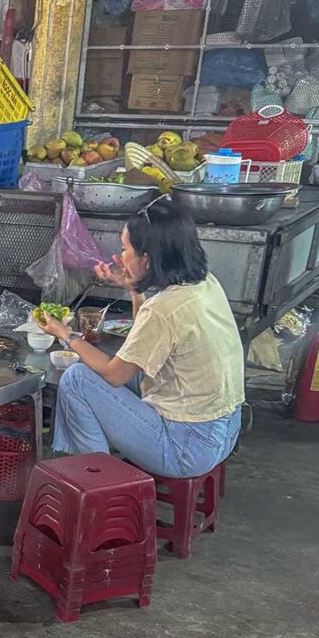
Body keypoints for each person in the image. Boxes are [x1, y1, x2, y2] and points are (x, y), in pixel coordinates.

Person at [35, 196, 243, 478]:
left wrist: (65, 333)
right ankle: (86, 459)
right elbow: (144, 344)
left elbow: (114, 375)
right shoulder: (205, 282)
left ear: (147, 257)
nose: (120, 257)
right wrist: (135, 289)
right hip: (225, 430)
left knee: (77, 380)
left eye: (125, 249)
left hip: (185, 448)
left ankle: (95, 480)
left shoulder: (164, 308)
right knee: (108, 373)